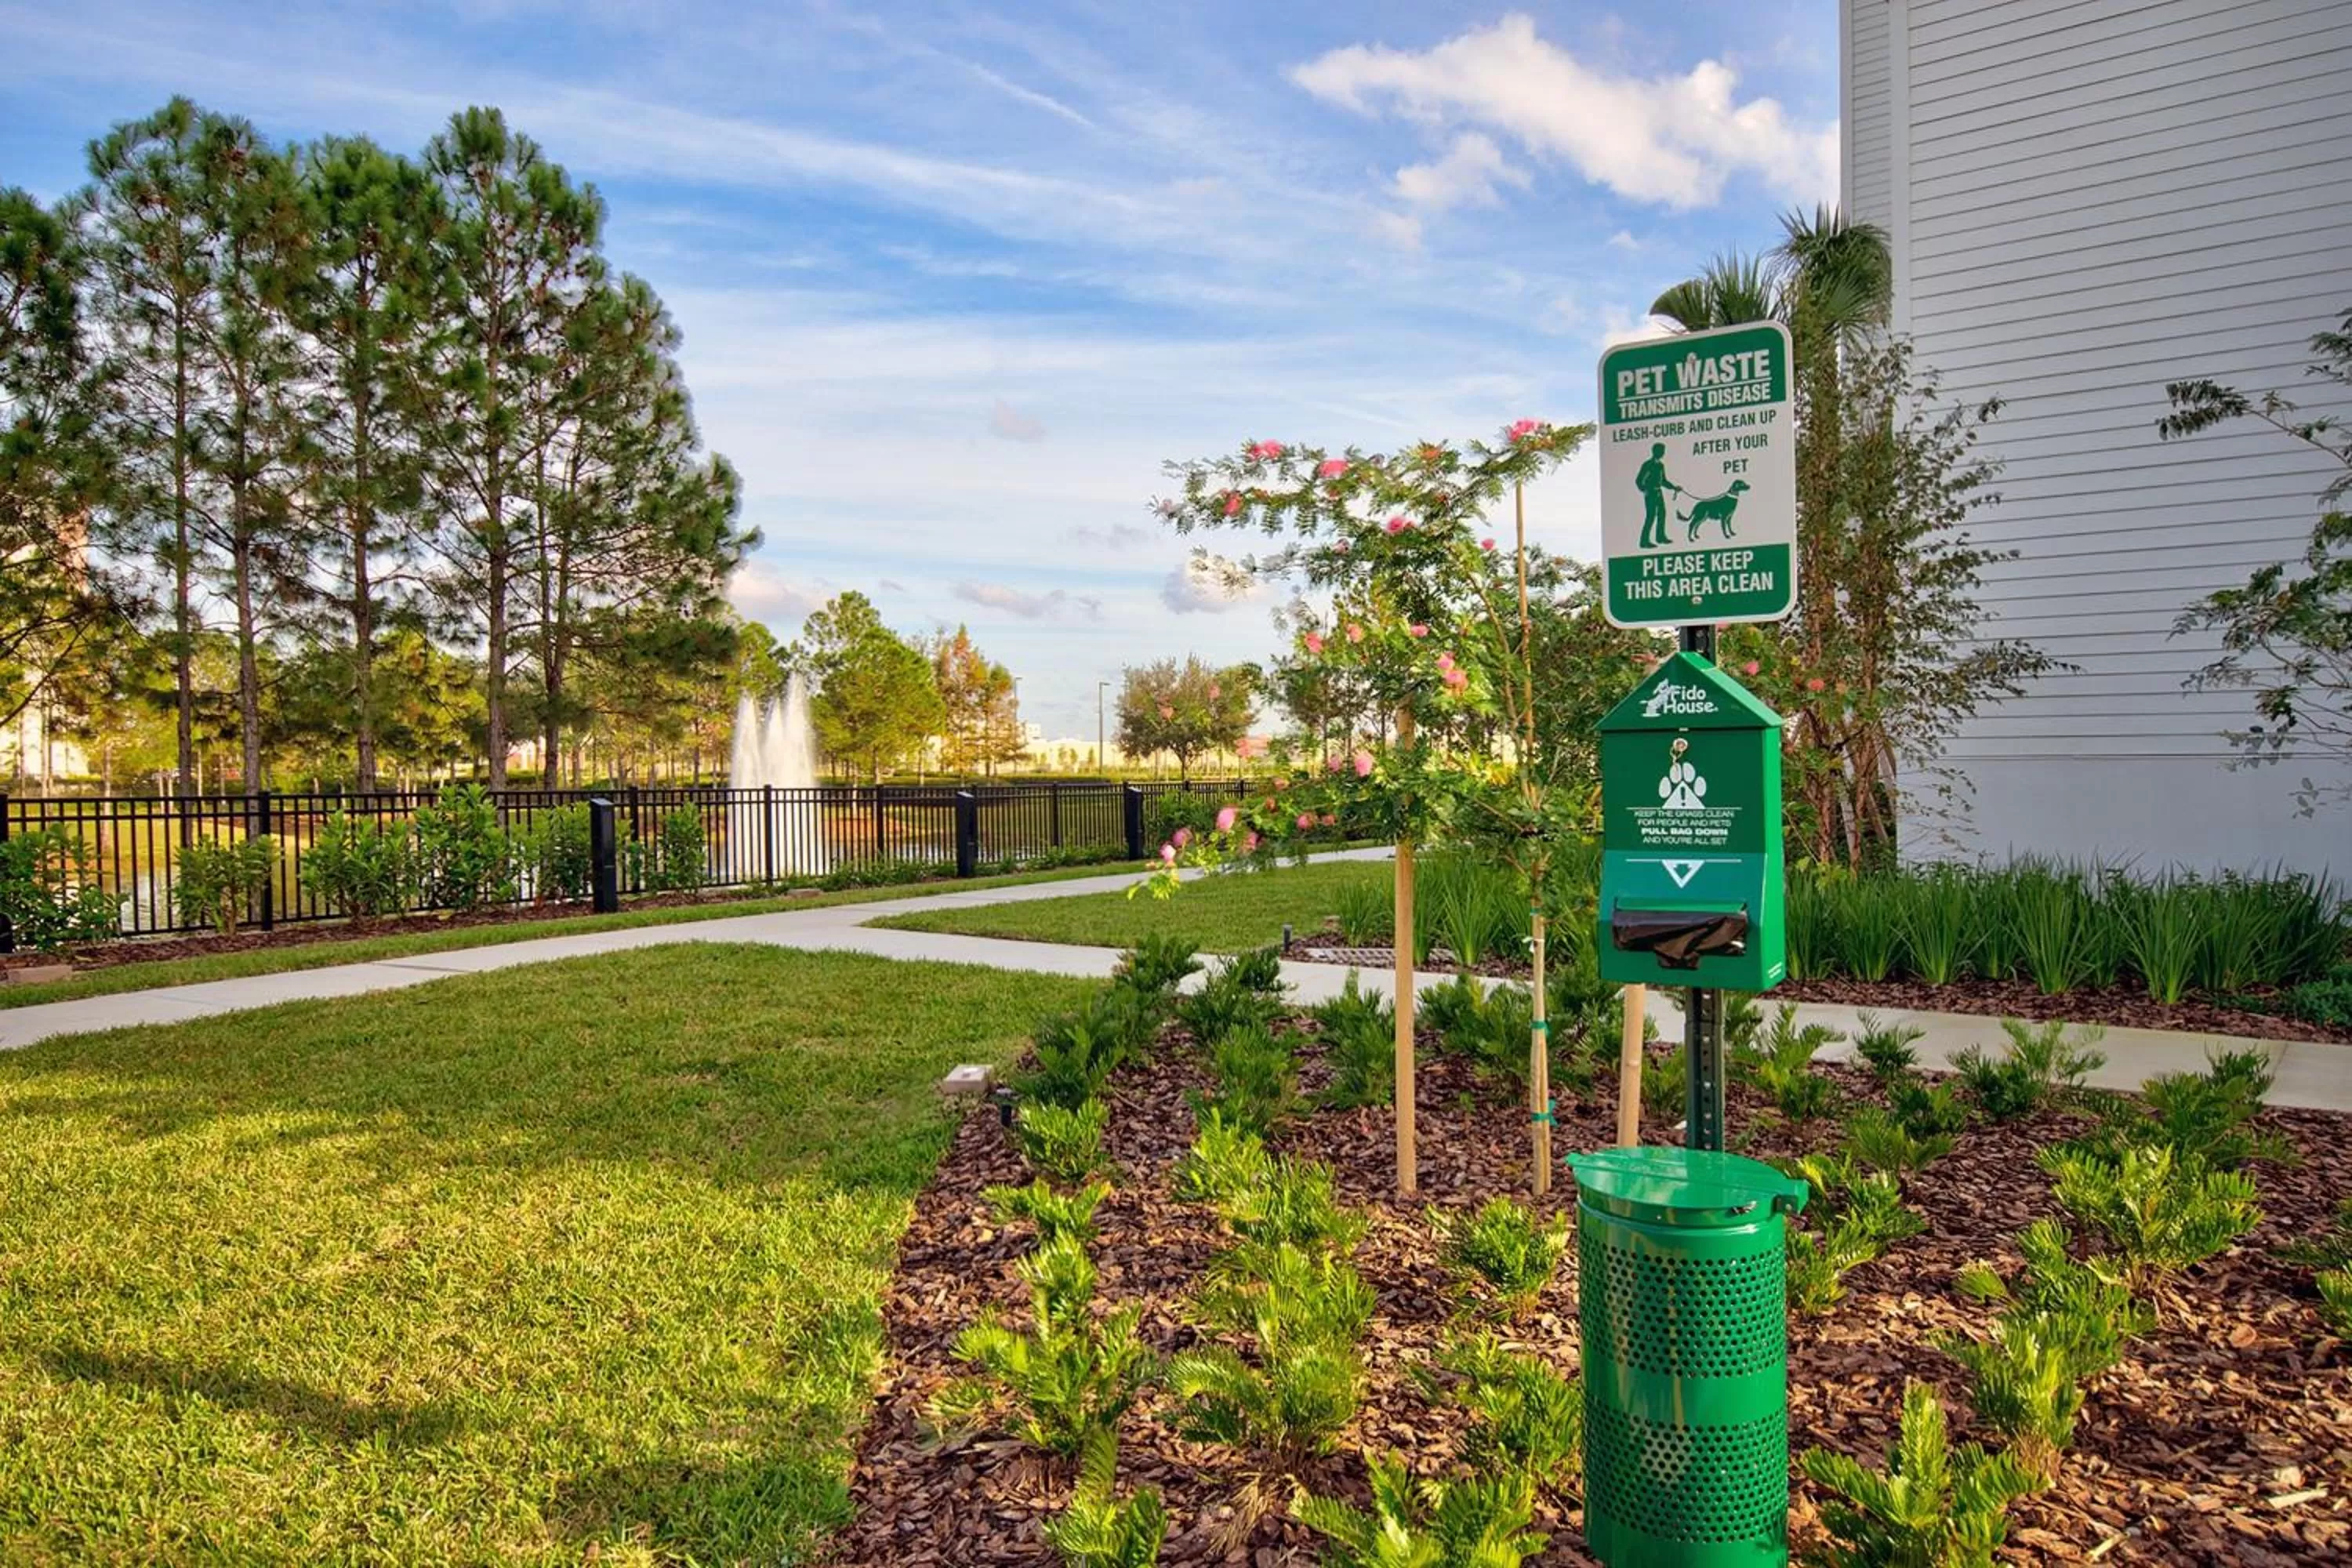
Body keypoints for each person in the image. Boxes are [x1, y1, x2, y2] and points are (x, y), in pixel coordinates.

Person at [1635, 442, 1682, 548]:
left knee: (1662, 514)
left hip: (1659, 493)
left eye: (1663, 451)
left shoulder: (1661, 465)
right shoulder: (1648, 465)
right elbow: (1638, 480)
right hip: (1650, 493)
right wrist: (1644, 490)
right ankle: (1644, 541)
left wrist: (1674, 487)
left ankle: (1660, 537)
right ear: (1655, 452)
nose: (1662, 453)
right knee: (1651, 516)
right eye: (1660, 451)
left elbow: (1664, 481)